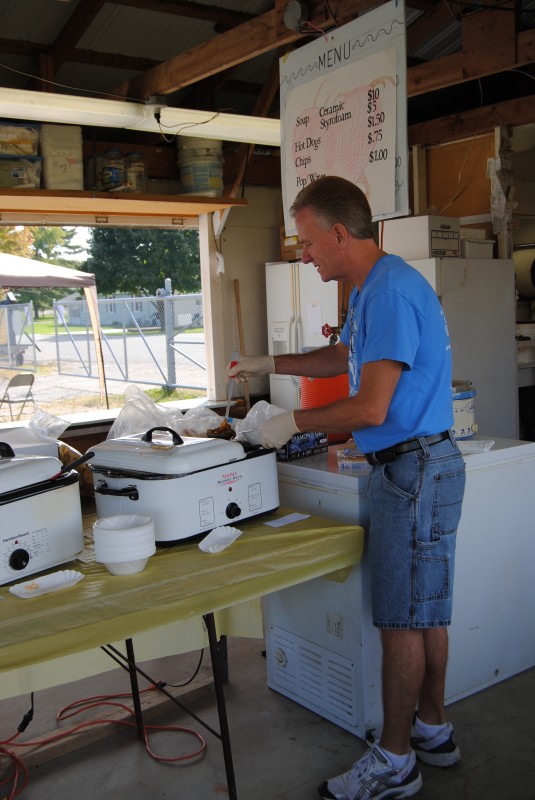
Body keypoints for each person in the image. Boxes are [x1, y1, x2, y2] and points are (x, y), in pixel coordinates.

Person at [227, 176, 466, 800]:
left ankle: (394, 760)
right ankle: (433, 730)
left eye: (306, 242)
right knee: (423, 609)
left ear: (338, 233)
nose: (303, 254)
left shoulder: (386, 292)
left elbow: (369, 406)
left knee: (399, 621)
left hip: (412, 470)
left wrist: (290, 423)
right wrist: (268, 366)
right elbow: (344, 361)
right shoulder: (374, 288)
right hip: (425, 464)